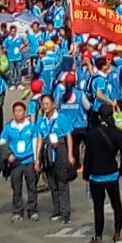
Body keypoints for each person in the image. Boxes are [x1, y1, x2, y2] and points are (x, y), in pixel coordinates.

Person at [83, 103, 122, 243]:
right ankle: (117, 234)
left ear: (99, 117)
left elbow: (88, 157)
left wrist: (86, 174)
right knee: (116, 204)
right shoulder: (118, 133)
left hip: (96, 175)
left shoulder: (92, 134)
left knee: (98, 207)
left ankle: (98, 237)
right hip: (112, 174)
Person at [0, 101, 41, 222]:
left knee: (32, 187)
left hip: (29, 161)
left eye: (20, 110)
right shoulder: (8, 128)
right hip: (15, 163)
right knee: (16, 188)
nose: (18, 113)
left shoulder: (31, 127)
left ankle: (32, 210)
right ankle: (18, 211)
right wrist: (8, 155)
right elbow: (2, 143)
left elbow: (36, 142)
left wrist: (37, 160)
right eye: (16, 111)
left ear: (24, 112)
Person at [36, 94, 74, 224]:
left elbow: (69, 136)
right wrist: (37, 159)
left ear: (53, 104)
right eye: (43, 104)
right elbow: (39, 139)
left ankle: (65, 213)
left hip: (60, 150)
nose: (45, 106)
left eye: (47, 104)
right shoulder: (40, 121)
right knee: (52, 183)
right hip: (47, 152)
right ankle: (57, 210)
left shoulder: (61, 118)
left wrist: (70, 155)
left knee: (62, 182)